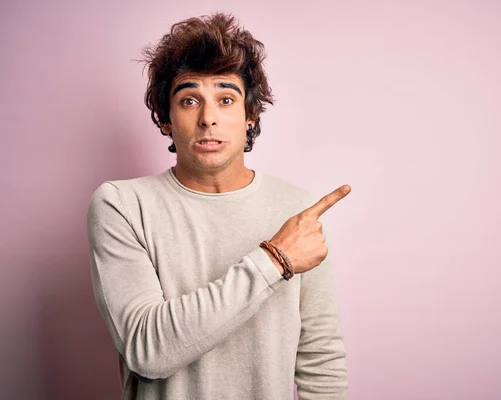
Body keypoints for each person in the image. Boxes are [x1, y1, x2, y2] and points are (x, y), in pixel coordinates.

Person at [86, 12, 350, 400]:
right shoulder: (122, 205)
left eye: (226, 99)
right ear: (165, 118)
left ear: (250, 117)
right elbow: (148, 351)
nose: (208, 118)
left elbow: (321, 360)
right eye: (189, 100)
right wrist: (275, 260)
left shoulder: (297, 210)